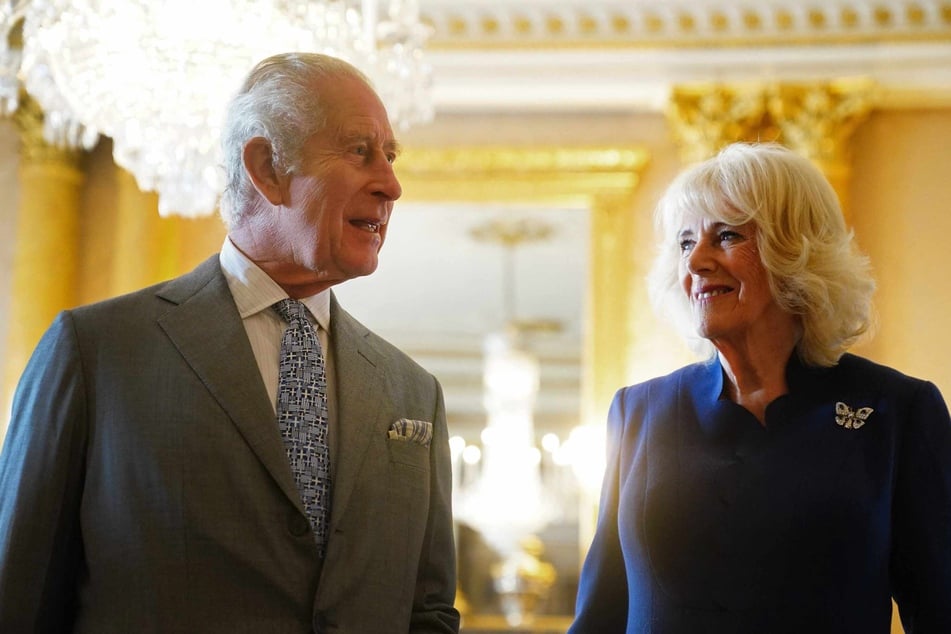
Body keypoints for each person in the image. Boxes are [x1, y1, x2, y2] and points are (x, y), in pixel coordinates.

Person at [0, 52, 459, 633]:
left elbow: (429, 613)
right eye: (359, 151)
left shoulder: (413, 394)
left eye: (390, 156)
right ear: (266, 167)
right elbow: (19, 598)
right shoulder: (95, 355)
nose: (391, 184)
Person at [569, 142, 951, 633]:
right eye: (685, 243)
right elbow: (602, 612)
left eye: (726, 236)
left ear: (797, 251)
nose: (697, 262)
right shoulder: (638, 411)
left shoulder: (898, 411)